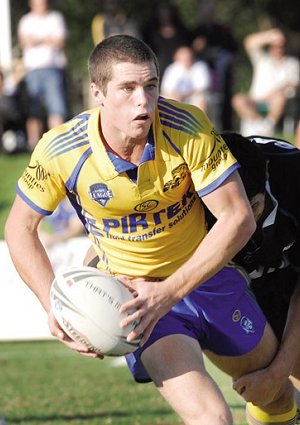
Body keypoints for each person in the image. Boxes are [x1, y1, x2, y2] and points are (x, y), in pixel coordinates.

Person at [5, 35, 297, 425]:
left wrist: (168, 291)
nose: (143, 100)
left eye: (151, 85)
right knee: (212, 418)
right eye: (127, 88)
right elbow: (20, 228)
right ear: (98, 92)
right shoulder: (62, 150)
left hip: (207, 280)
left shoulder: (187, 127)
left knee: (275, 392)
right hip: (137, 303)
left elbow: (237, 218)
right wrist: (53, 304)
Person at [216, 133, 300, 412]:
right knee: (263, 387)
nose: (245, 223)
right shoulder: (183, 193)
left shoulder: (294, 181)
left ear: (266, 174)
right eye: (231, 212)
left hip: (288, 273)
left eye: (253, 207)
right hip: (233, 286)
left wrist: (278, 373)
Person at [17, 0, 68, 150]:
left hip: (53, 69)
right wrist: (47, 38)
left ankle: (58, 143)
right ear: (31, 3)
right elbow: (25, 41)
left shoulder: (56, 18)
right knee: (34, 110)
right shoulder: (26, 21)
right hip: (32, 70)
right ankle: (34, 145)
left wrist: (37, 39)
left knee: (57, 108)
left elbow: (59, 42)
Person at [232, 28, 300, 137]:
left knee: (279, 98)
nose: (279, 49)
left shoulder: (292, 63)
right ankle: (259, 125)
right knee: (238, 100)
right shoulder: (263, 59)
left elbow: (294, 83)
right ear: (270, 47)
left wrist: (274, 93)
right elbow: (249, 42)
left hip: (276, 101)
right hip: (255, 99)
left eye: (281, 46)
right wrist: (270, 36)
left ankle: (268, 127)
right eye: (275, 46)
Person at [191, 0, 238, 130]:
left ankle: (227, 134)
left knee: (224, 107)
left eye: (209, 12)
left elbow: (233, 53)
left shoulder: (223, 30)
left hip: (222, 76)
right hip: (203, 77)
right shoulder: (195, 32)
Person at [142, 1, 191, 78]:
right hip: (156, 72)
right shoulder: (148, 32)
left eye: (167, 10)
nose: (165, 14)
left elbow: (187, 50)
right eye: (162, 10)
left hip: (179, 73)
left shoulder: (182, 31)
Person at [160, 45, 211, 112]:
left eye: (188, 56)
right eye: (184, 57)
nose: (187, 59)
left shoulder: (200, 66)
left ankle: (198, 122)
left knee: (201, 99)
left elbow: (202, 87)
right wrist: (177, 96)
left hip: (194, 96)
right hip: (176, 97)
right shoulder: (172, 69)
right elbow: (166, 89)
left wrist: (185, 95)